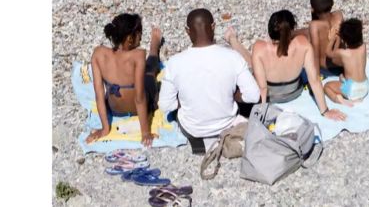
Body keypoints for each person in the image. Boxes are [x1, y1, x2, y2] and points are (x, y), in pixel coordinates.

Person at [158, 9, 261, 154]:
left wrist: (185, 100)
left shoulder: (174, 63)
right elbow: (253, 96)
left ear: (187, 31)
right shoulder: (233, 57)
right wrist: (233, 95)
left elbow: (164, 105)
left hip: (192, 129)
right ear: (213, 26)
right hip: (227, 124)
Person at [243, 10, 348, 121]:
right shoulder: (302, 43)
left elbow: (262, 88)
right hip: (294, 93)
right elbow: (314, 80)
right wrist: (325, 111)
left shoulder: (260, 47)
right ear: (292, 30)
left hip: (272, 97)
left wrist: (261, 116)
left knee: (252, 73)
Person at [87, 13, 163, 147]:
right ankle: (154, 47)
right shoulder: (138, 55)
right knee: (150, 71)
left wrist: (105, 129)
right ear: (129, 38)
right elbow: (140, 98)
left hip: (114, 109)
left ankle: (154, 47)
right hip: (136, 108)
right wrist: (145, 132)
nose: (141, 37)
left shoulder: (98, 53)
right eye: (140, 33)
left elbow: (99, 95)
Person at [323, 18, 369, 106]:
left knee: (327, 86)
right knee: (341, 76)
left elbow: (328, 53)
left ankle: (343, 101)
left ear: (344, 40)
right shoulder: (363, 47)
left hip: (352, 90)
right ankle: (356, 96)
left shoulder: (343, 53)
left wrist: (332, 39)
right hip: (365, 86)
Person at [307, 0, 344, 69]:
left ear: (313, 9)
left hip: (327, 67)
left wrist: (316, 78)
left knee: (304, 35)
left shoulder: (314, 26)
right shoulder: (339, 15)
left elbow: (315, 56)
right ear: (332, 3)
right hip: (341, 65)